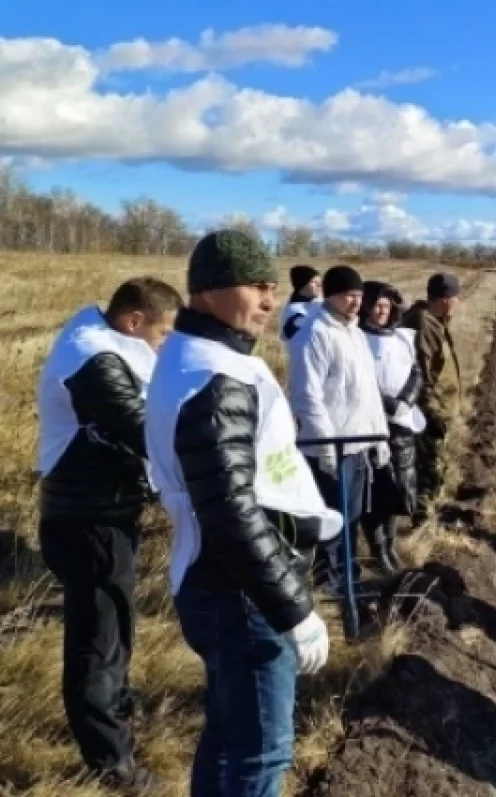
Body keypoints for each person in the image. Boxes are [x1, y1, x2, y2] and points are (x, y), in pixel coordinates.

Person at [145, 230, 339, 795]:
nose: (269, 300)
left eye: (272, 287)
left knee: (229, 738)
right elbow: (229, 512)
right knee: (262, 757)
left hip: (221, 584)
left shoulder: (197, 360)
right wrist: (294, 610)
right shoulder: (214, 378)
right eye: (256, 286)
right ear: (208, 290)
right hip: (242, 594)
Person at [35, 277, 182, 790]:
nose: (164, 345)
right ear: (133, 321)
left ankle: (117, 706)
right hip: (86, 519)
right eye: (162, 334)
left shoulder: (104, 343)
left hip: (105, 511)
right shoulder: (92, 358)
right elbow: (140, 425)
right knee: (96, 636)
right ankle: (109, 762)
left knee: (116, 618)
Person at [289, 264, 390, 590]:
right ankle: (330, 585)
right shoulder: (314, 334)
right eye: (349, 295)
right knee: (332, 519)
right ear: (330, 295)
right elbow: (307, 397)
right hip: (332, 448)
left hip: (359, 443)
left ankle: (349, 577)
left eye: (359, 296)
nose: (356, 302)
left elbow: (368, 392)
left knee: (353, 517)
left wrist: (381, 436)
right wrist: (325, 446)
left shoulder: (354, 332)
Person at [358, 280, 425, 574]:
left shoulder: (402, 338)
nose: (382, 311)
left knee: (399, 486)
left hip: (402, 423)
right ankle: (377, 550)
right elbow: (358, 382)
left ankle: (389, 544)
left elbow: (416, 371)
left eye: (386, 306)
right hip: (372, 424)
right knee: (376, 491)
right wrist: (387, 404)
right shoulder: (356, 339)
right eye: (377, 305)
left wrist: (405, 401)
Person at [403, 273, 463, 523]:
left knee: (434, 465)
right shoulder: (425, 324)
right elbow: (421, 373)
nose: (458, 303)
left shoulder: (434, 320)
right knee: (429, 468)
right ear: (447, 299)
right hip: (429, 411)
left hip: (438, 407)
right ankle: (422, 523)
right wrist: (432, 413)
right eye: (456, 298)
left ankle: (428, 513)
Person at [279, 265, 322, 342]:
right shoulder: (293, 310)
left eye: (319, 282)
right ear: (302, 285)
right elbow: (287, 335)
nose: (319, 285)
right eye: (314, 282)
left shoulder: (318, 303)